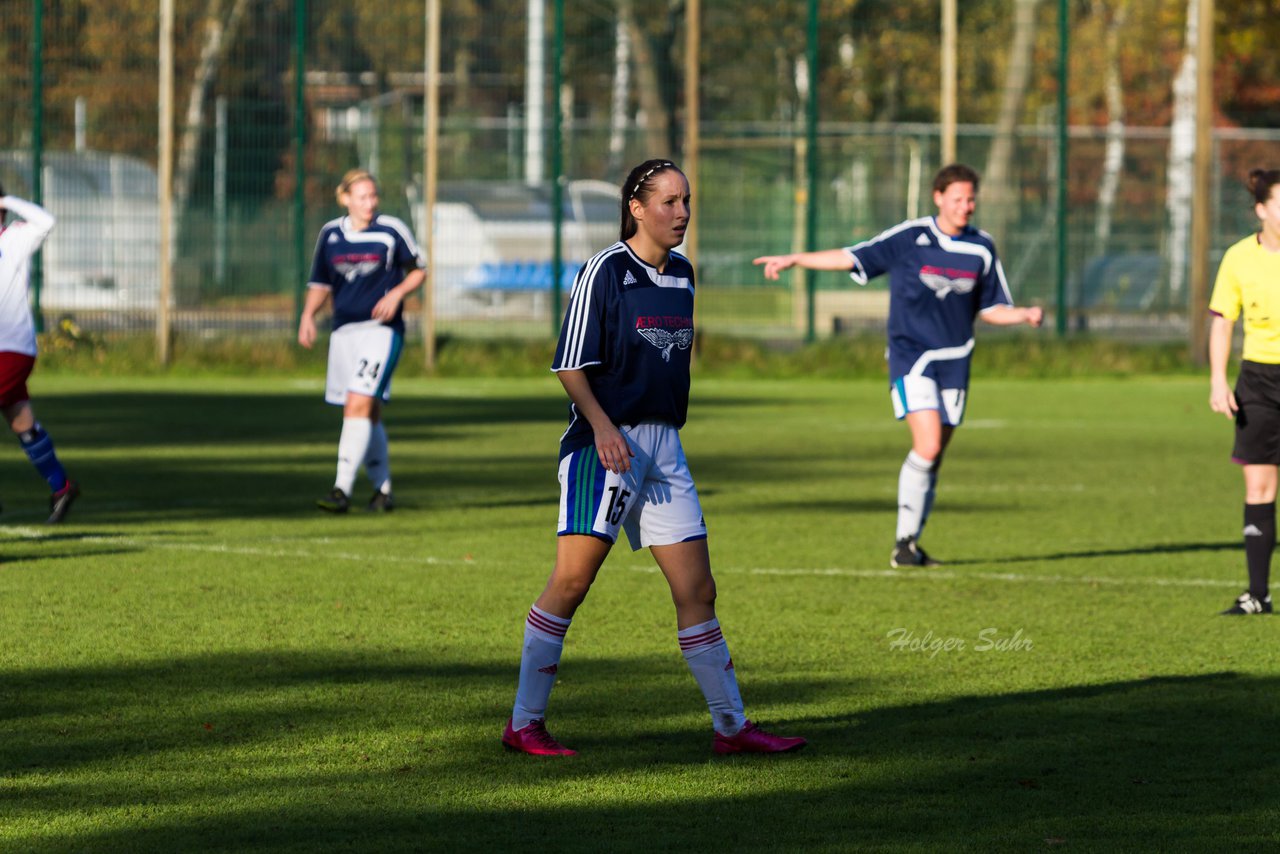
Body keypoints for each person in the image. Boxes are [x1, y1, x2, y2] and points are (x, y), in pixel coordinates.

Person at [502, 159, 807, 757]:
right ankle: (523, 723)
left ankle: (730, 729)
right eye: (668, 202)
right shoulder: (604, 271)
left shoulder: (685, 275)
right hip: (606, 445)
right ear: (636, 208)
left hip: (665, 446)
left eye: (686, 201)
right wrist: (603, 427)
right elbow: (569, 363)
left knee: (699, 590)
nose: (682, 213)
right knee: (572, 580)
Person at [753, 163, 1042, 568]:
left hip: (955, 361)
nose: (966, 207)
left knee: (934, 457)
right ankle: (904, 544)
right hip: (912, 357)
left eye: (971, 199)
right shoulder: (911, 238)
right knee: (928, 445)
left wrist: (1023, 315)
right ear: (938, 196)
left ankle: (909, 544)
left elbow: (992, 307)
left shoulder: (981, 248)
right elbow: (854, 256)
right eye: (958, 198)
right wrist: (797, 259)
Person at [298, 169, 425, 513]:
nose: (370, 203)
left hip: (381, 332)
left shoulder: (391, 230)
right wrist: (308, 315)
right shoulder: (330, 234)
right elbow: (321, 283)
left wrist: (397, 293)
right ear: (345, 199)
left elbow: (418, 269)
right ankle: (383, 493)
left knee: (358, 402)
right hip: (343, 333)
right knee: (366, 412)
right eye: (362, 196)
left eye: (373, 196)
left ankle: (341, 490)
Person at [1208, 168, 1280, 615]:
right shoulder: (1238, 257)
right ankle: (1258, 594)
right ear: (1261, 210)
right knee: (1259, 486)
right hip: (1258, 381)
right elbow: (1222, 320)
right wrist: (1218, 379)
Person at [0, 185, 79, 523]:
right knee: (22, 422)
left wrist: (8, 200)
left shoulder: (15, 238)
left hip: (13, 348)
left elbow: (46, 221)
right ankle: (62, 487)